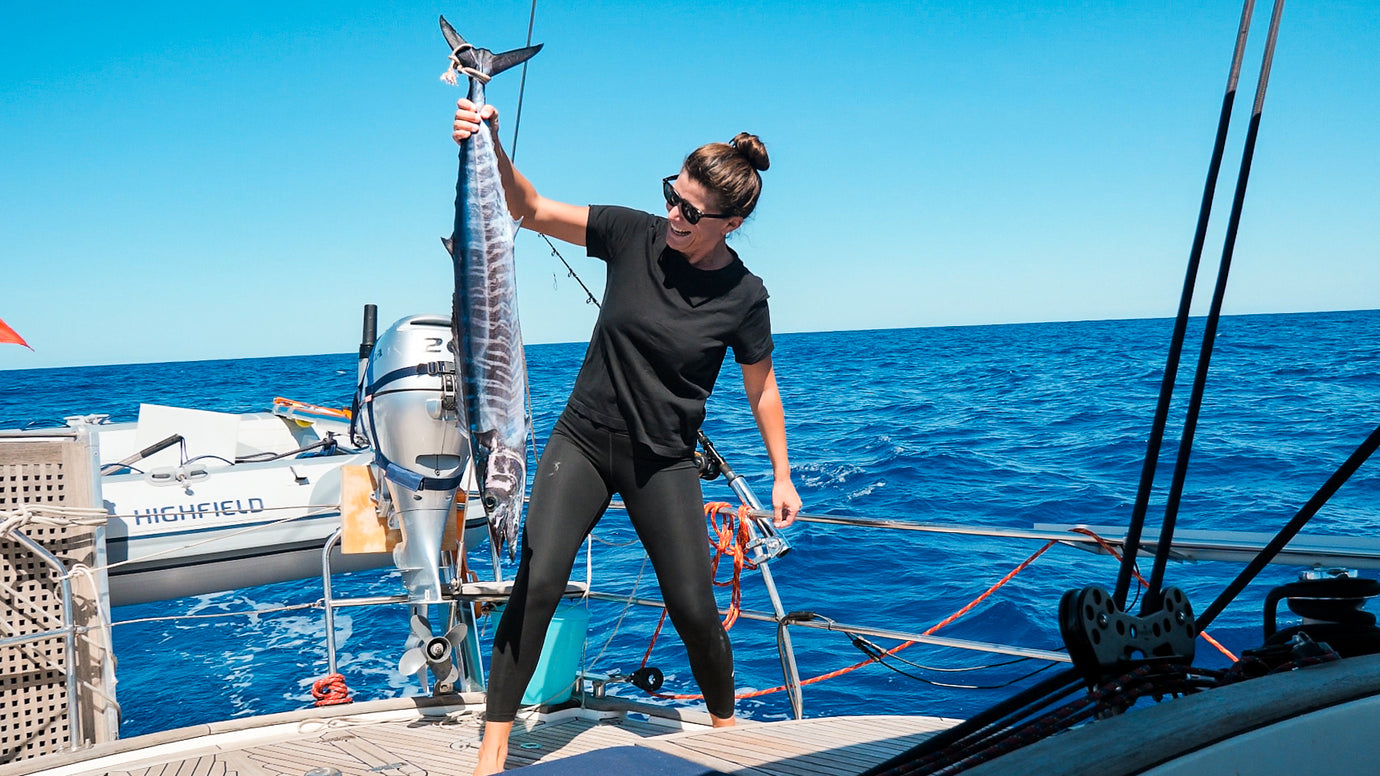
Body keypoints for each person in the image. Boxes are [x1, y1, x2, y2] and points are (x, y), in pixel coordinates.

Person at [451, 98, 802, 776]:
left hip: (662, 460)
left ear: (731, 223)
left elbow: (761, 386)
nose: (674, 214)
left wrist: (781, 474)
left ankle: (728, 734)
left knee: (695, 609)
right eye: (672, 195)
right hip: (582, 441)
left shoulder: (745, 295)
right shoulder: (629, 234)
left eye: (692, 212)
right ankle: (492, 752)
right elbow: (528, 207)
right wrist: (490, 144)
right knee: (540, 578)